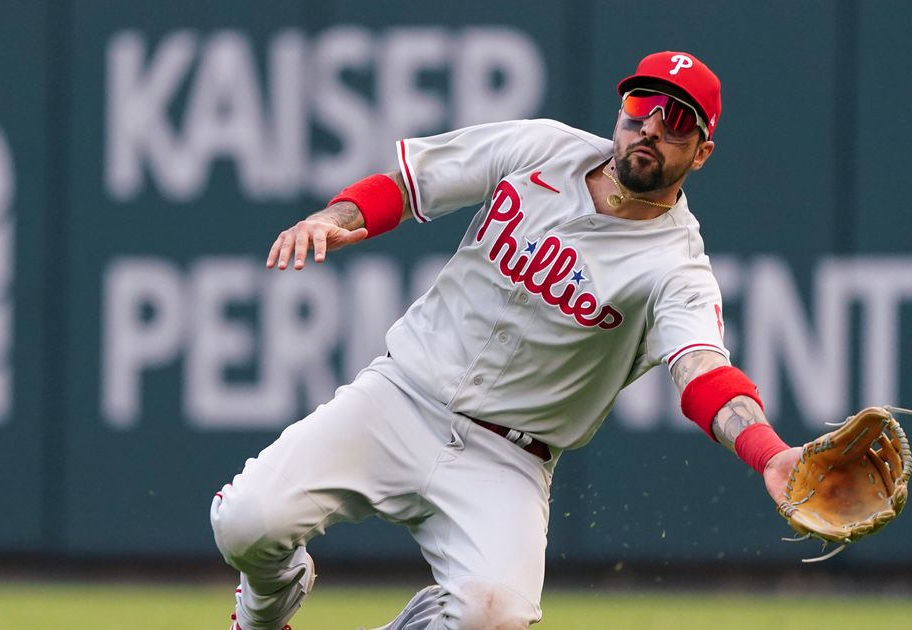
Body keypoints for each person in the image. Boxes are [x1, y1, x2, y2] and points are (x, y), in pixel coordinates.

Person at [210, 50, 803, 630]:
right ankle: (264, 616)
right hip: (400, 396)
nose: (650, 125)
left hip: (507, 458)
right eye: (641, 103)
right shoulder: (541, 147)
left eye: (677, 119)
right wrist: (332, 218)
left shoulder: (678, 268)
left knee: (494, 618)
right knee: (246, 522)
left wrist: (770, 454)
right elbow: (414, 182)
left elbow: (703, 372)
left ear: (702, 152)